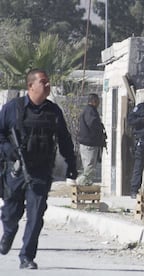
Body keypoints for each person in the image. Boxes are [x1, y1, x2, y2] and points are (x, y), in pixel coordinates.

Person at [0, 69, 77, 268]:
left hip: (41, 171)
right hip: (15, 171)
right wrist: (10, 151)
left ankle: (27, 257)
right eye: (43, 82)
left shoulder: (53, 111)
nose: (48, 85)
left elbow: (65, 139)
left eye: (48, 81)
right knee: (10, 213)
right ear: (30, 86)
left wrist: (71, 165)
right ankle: (8, 233)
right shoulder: (12, 109)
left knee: (36, 215)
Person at [77, 93, 106, 186]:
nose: (99, 103)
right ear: (94, 101)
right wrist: (99, 131)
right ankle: (81, 183)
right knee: (89, 167)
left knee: (88, 167)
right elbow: (92, 124)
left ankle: (86, 185)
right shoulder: (90, 111)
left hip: (87, 143)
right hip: (89, 144)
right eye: (98, 101)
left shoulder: (87, 110)